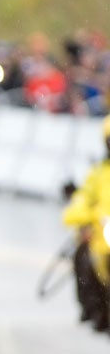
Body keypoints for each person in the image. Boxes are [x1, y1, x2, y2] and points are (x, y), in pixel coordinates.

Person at [63, 115, 110, 331]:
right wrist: (84, 222)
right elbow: (82, 199)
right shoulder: (98, 172)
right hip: (101, 233)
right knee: (82, 258)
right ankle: (91, 308)